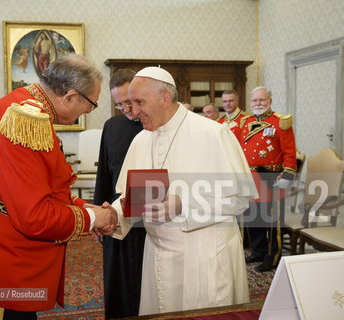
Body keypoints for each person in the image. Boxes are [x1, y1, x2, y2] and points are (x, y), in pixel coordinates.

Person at [0, 54, 117, 320]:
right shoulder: (26, 118)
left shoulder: (27, 107)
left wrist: (83, 206)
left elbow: (45, 188)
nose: (89, 111)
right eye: (91, 104)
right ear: (69, 96)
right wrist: (94, 217)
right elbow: (33, 216)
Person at [109, 67, 258, 315]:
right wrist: (112, 215)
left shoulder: (213, 133)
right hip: (157, 252)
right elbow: (134, 197)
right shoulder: (141, 139)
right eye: (129, 103)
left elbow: (240, 199)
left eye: (138, 102)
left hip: (204, 256)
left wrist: (183, 205)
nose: (133, 112)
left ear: (165, 98)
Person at [93, 68, 145, 319]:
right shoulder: (111, 126)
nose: (126, 108)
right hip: (116, 216)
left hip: (149, 219)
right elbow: (103, 173)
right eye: (119, 104)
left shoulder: (155, 125)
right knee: (117, 283)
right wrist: (98, 218)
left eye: (129, 101)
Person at [239, 86, 296, 272]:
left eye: (262, 100)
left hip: (271, 178)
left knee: (271, 222)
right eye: (255, 100)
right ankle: (258, 251)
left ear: (270, 101)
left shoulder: (280, 122)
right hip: (251, 178)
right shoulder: (245, 122)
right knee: (253, 218)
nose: (258, 104)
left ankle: (273, 256)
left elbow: (289, 152)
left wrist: (288, 174)